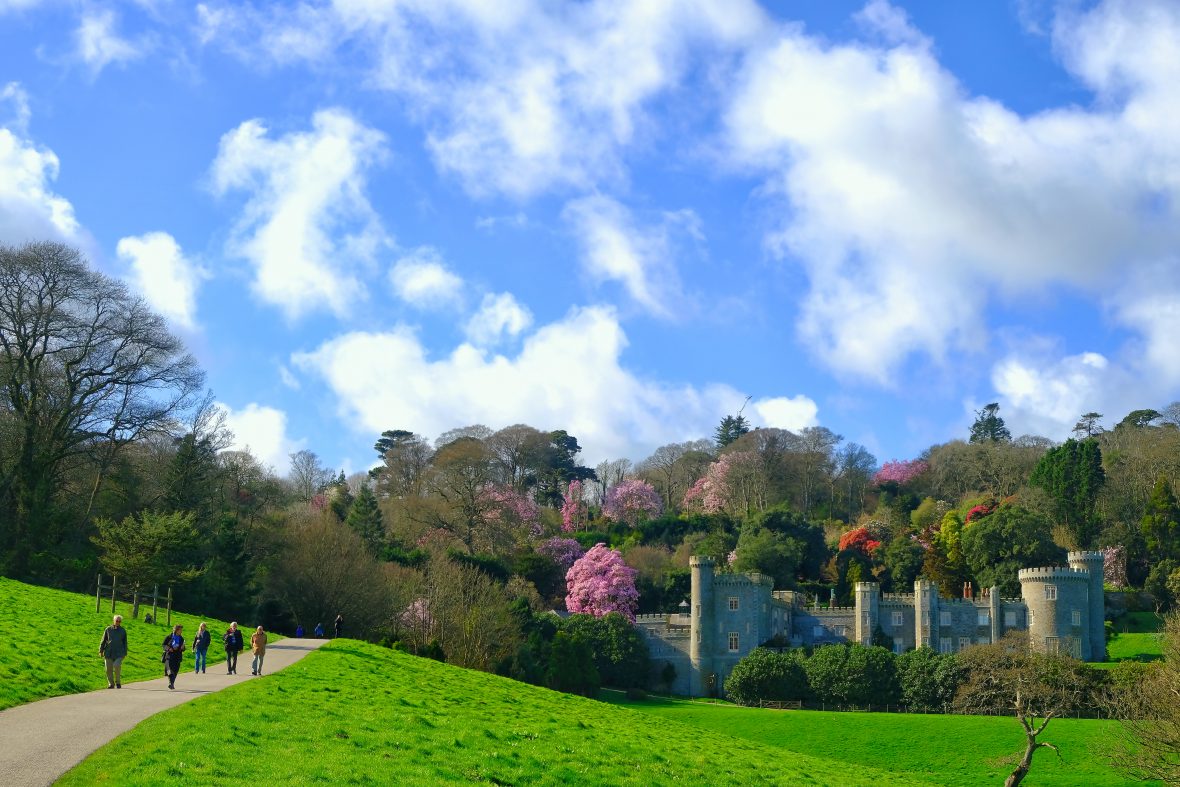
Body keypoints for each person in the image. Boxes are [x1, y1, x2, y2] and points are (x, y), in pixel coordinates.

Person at [98, 614, 128, 689]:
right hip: (108, 652)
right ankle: (111, 684)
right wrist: (101, 651)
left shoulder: (123, 631)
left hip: (119, 653)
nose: (118, 622)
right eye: (116, 621)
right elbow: (103, 640)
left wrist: (125, 653)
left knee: (117, 666)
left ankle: (118, 682)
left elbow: (125, 643)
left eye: (119, 621)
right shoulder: (108, 629)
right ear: (113, 621)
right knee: (108, 669)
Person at [161, 624, 185, 690]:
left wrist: (182, 648)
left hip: (177, 657)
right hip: (169, 656)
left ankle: (172, 683)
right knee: (169, 670)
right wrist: (169, 648)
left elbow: (183, 648)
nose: (181, 631)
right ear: (176, 630)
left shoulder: (181, 638)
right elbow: (163, 645)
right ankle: (170, 683)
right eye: (180, 630)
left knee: (175, 671)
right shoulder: (169, 637)